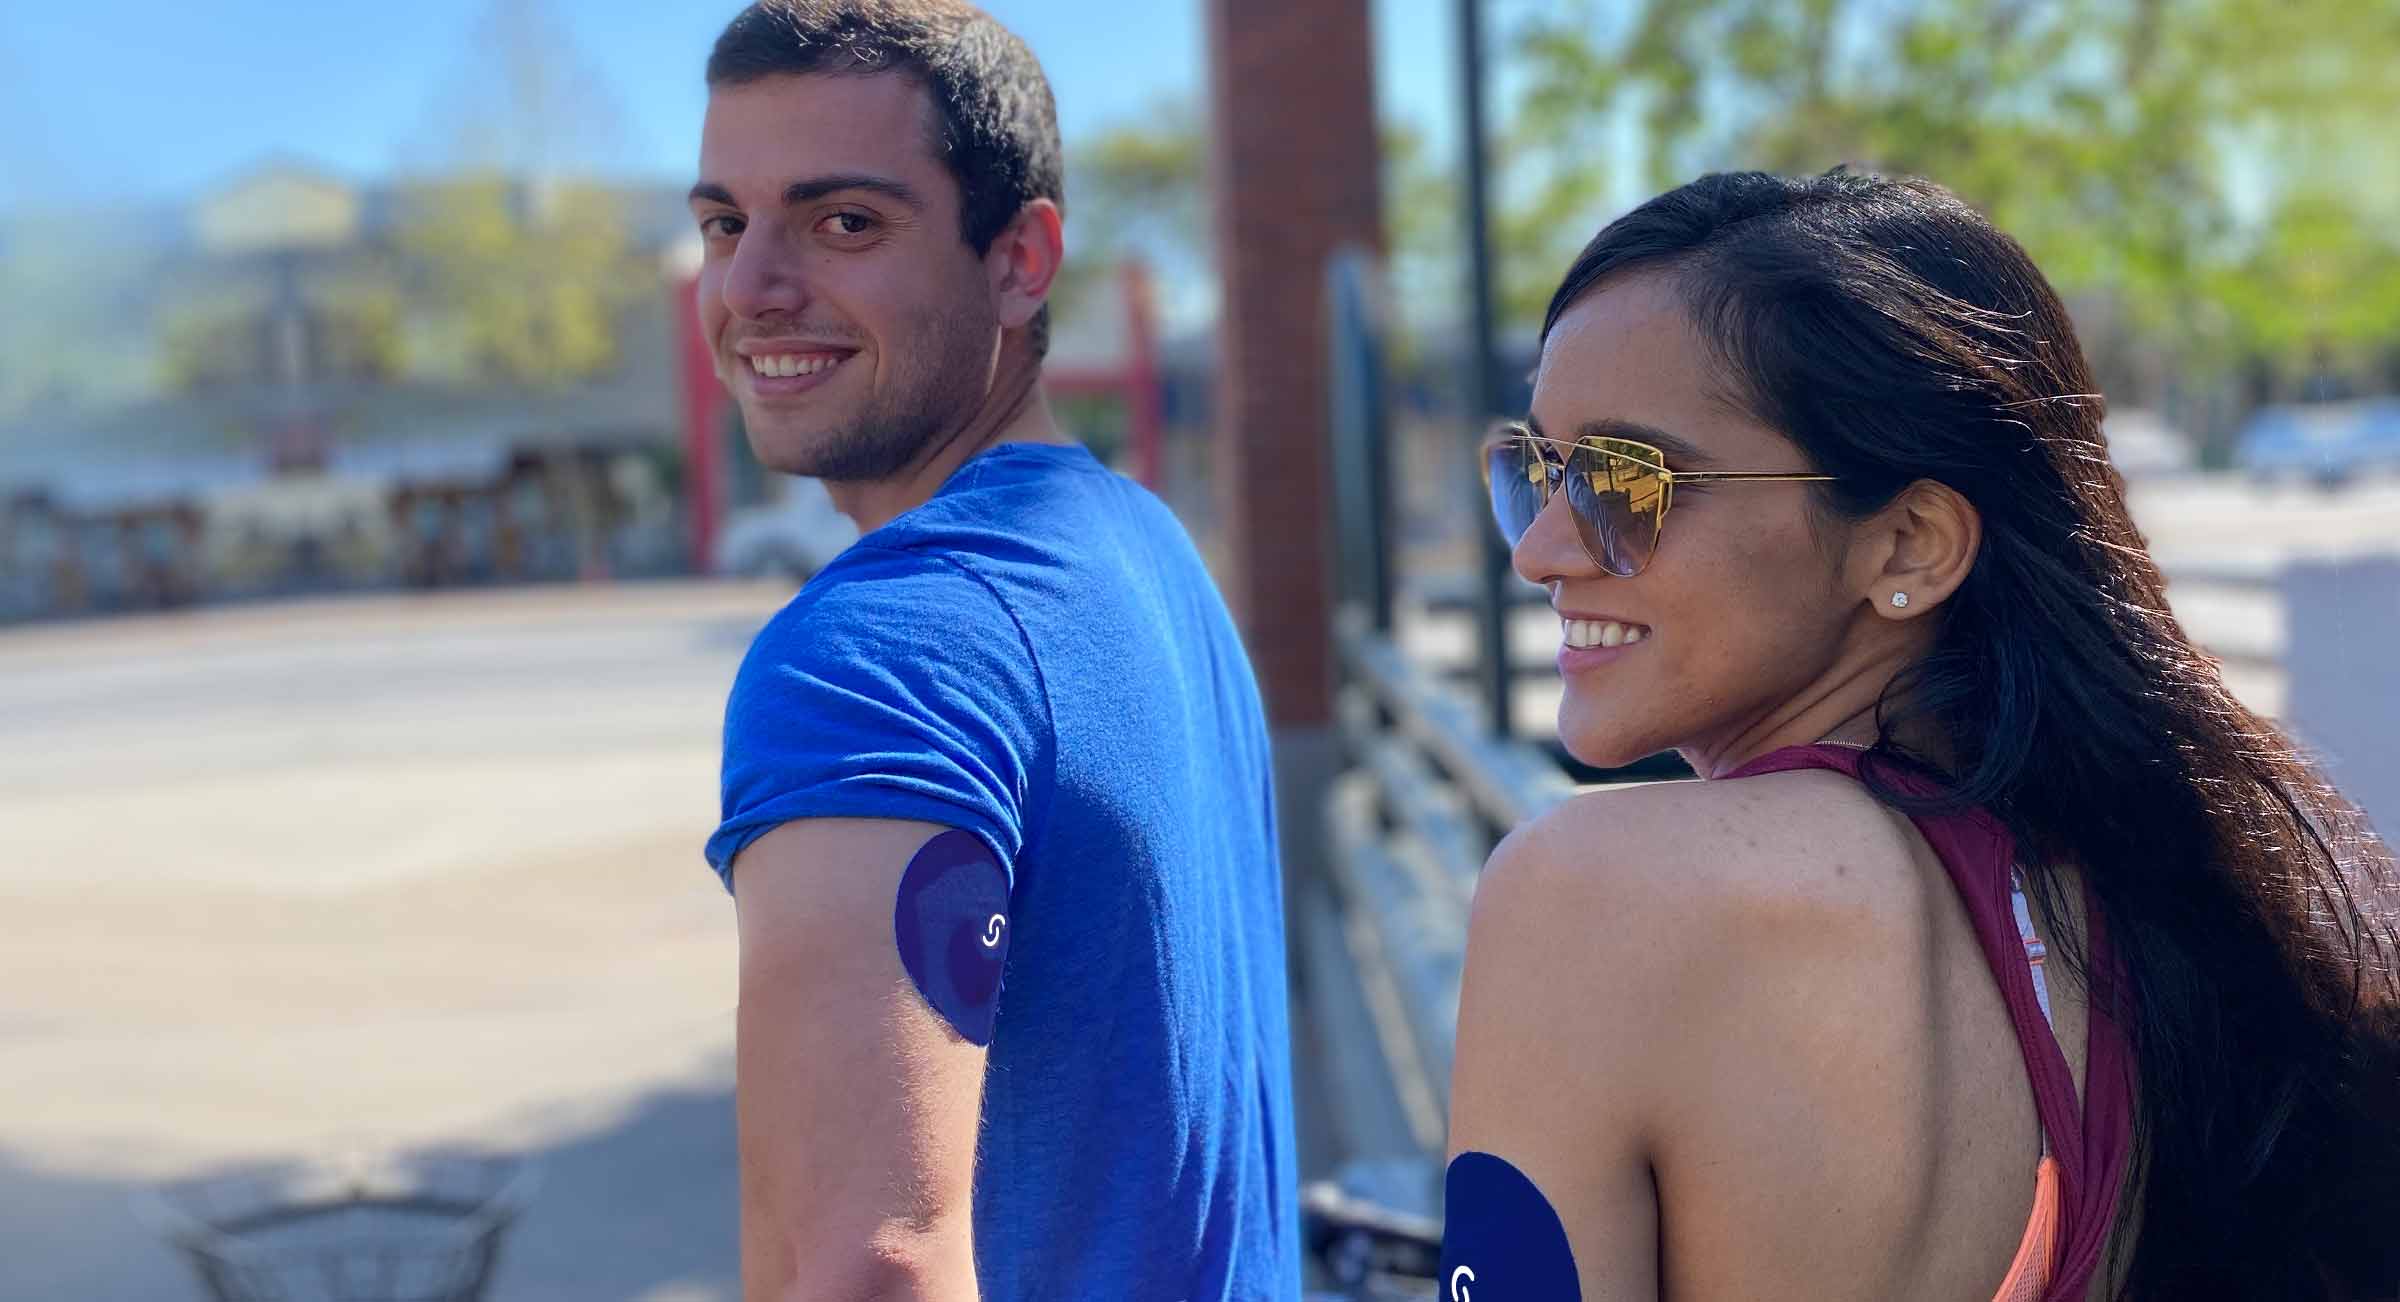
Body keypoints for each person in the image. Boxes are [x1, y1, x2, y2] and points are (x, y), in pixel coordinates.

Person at [1439, 170, 2400, 1301]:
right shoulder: (2175, 897)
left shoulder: (1592, 896)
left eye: (1623, 482)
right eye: (1537, 472)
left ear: (1908, 545)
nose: (1541, 551)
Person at [691, 3, 1298, 1297]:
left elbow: (873, 1265)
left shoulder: (877, 651)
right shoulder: (1139, 548)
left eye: (843, 221)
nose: (750, 287)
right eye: (724, 226)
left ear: (1020, 260)